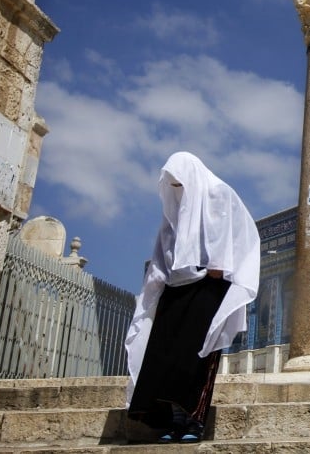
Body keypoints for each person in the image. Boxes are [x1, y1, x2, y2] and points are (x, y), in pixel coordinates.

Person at [124, 152, 260, 443]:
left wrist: (220, 265)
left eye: (180, 185)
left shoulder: (220, 195)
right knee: (164, 358)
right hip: (175, 289)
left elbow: (240, 234)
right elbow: (164, 250)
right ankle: (172, 420)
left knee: (195, 358)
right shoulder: (175, 210)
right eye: (172, 186)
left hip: (208, 290)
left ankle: (193, 421)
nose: (177, 192)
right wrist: (155, 283)